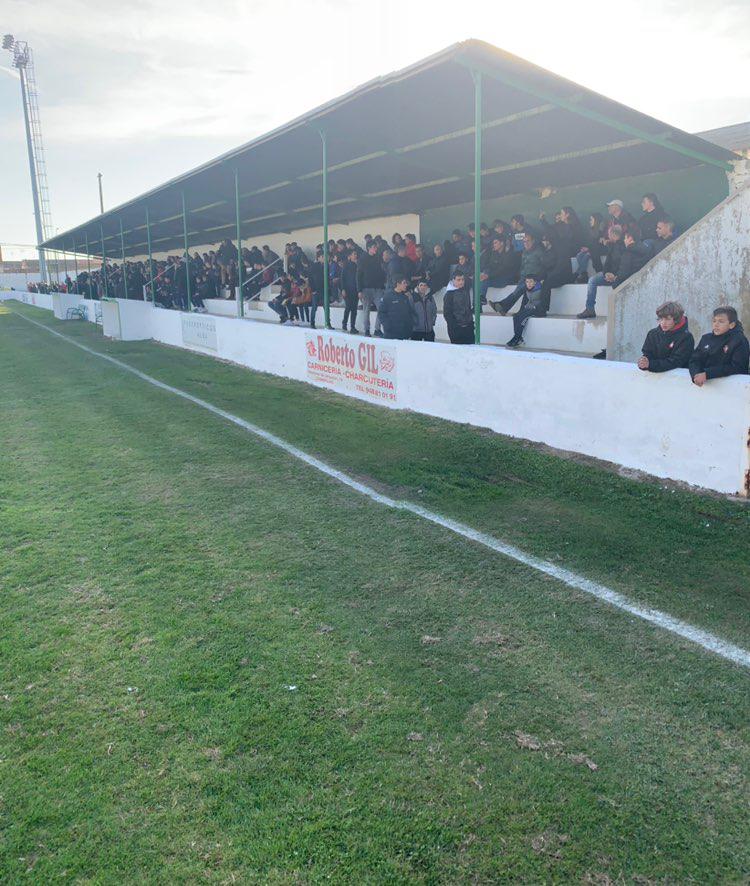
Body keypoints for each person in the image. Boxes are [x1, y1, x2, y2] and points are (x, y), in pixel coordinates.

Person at [688, 306, 750, 386]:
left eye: (721, 321)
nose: (716, 325)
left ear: (731, 325)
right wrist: (695, 374)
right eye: (714, 321)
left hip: (731, 388)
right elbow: (694, 360)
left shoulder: (739, 340)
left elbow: (738, 367)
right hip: (704, 387)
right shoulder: (706, 338)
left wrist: (708, 374)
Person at [488, 232, 545, 314]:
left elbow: (544, 265)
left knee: (518, 291)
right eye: (524, 241)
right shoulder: (524, 251)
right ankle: (505, 308)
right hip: (524, 278)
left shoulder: (539, 251)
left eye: (528, 241)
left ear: (533, 241)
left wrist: (540, 278)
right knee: (518, 292)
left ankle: (502, 305)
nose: (526, 243)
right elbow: (523, 266)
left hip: (534, 279)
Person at [637, 301, 694, 372]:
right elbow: (647, 354)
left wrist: (651, 365)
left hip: (678, 377)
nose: (663, 322)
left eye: (668, 319)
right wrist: (644, 361)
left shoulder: (686, 338)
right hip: (652, 377)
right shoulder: (652, 334)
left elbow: (676, 362)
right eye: (661, 319)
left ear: (676, 319)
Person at [505, 274, 547, 348]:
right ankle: (518, 338)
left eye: (531, 281)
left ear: (535, 282)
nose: (529, 284)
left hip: (538, 310)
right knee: (516, 316)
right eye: (527, 282)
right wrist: (520, 312)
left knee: (522, 317)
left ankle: (517, 338)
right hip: (529, 308)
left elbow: (544, 302)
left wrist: (535, 307)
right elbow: (524, 302)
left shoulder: (541, 288)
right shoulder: (527, 289)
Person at [357, 241, 386, 337]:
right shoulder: (362, 259)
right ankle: (367, 330)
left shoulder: (378, 258)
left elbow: (381, 272)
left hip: (378, 289)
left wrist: (382, 286)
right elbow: (358, 275)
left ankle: (377, 329)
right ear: (369, 248)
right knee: (366, 310)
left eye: (376, 247)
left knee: (381, 308)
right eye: (374, 247)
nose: (376, 249)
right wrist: (359, 290)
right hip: (366, 289)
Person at [443, 270, 475, 344]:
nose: (461, 282)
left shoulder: (465, 290)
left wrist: (470, 324)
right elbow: (447, 314)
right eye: (458, 280)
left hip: (468, 329)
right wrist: (455, 327)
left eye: (463, 279)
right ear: (453, 280)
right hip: (457, 330)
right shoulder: (449, 295)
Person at [378, 275, 413, 340]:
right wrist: (387, 326)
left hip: (404, 333)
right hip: (391, 333)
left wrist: (410, 327)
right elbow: (381, 313)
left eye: (406, 283)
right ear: (398, 284)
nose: (406, 285)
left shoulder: (405, 297)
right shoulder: (388, 296)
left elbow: (409, 313)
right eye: (404, 283)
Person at [341, 250, 359, 333]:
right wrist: (343, 289)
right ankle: (344, 324)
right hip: (347, 290)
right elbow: (342, 278)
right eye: (354, 254)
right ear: (350, 256)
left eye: (356, 254)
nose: (355, 256)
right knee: (348, 307)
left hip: (355, 291)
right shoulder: (346, 266)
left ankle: (352, 326)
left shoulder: (357, 266)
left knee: (354, 309)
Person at [308, 252, 325, 328]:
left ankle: (328, 323)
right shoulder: (314, 266)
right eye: (322, 256)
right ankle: (312, 323)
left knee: (326, 306)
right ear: (318, 258)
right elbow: (310, 278)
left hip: (323, 290)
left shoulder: (325, 266)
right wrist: (313, 289)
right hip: (316, 290)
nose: (324, 258)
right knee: (314, 307)